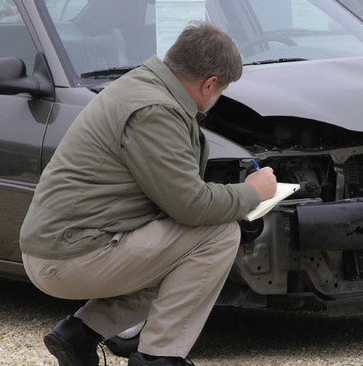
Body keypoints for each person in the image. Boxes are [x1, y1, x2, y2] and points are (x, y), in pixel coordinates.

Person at [19, 22, 277, 366]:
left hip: (66, 246)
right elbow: (191, 206)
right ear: (210, 83)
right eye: (221, 91)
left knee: (187, 257)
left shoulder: (143, 84)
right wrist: (251, 193)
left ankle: (81, 333)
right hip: (69, 257)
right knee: (217, 236)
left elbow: (172, 203)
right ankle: (159, 357)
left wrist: (232, 202)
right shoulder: (155, 110)